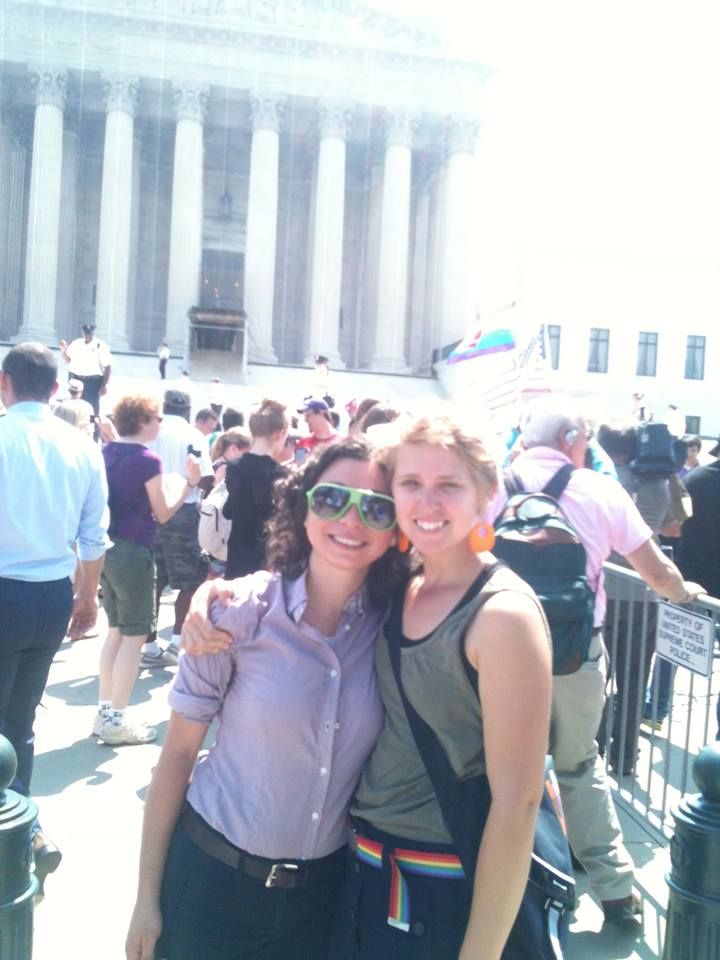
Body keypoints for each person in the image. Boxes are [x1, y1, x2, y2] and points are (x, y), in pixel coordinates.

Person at [179, 414, 555, 958]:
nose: (427, 502)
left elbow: (518, 803)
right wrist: (213, 596)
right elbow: (305, 584)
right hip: (361, 870)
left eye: (449, 485)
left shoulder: (502, 615)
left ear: (486, 494)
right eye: (411, 483)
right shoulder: (402, 585)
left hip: (439, 878)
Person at [125, 439, 404, 960]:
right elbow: (179, 754)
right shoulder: (236, 612)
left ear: (395, 527)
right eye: (331, 499)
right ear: (303, 506)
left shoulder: (396, 626)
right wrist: (145, 897)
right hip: (212, 882)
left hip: (320, 900)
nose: (351, 519)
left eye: (376, 507)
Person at [498, 397, 703, 926]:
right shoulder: (597, 489)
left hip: (495, 649)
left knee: (496, 763)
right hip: (574, 652)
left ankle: (503, 882)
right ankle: (614, 890)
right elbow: (655, 572)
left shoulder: (491, 485)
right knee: (578, 765)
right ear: (571, 439)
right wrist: (684, 594)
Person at [0, 343, 108, 894]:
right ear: (56, 387)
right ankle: (24, 833)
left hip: (5, 586)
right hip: (51, 594)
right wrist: (86, 596)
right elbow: (94, 535)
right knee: (20, 723)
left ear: (5, 384)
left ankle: (22, 834)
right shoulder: (82, 446)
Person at [95, 395, 202, 746]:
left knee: (115, 632)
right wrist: (189, 483)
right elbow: (164, 512)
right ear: (142, 420)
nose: (160, 423)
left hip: (107, 548)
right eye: (156, 418)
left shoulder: (108, 451)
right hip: (134, 549)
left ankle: (106, 711)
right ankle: (117, 718)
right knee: (134, 635)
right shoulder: (147, 460)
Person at [595, 421, 670, 774]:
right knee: (635, 678)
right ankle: (625, 755)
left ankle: (593, 747)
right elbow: (673, 525)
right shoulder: (658, 484)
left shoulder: (601, 482)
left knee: (596, 674)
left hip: (603, 592)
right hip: (644, 594)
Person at [142, 389, 213, 666]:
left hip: (150, 509)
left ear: (164, 407)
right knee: (190, 580)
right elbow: (205, 478)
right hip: (183, 511)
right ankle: (175, 643)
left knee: (153, 582)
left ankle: (149, 646)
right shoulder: (193, 435)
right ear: (188, 410)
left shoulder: (151, 431)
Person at [224, 399, 288, 579]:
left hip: (236, 553)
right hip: (266, 559)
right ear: (281, 433)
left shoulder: (233, 467)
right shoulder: (280, 474)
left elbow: (229, 510)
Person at [58, 323, 112, 417]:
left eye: (89, 333)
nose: (87, 335)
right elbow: (68, 360)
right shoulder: (76, 343)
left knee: (92, 408)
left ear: (93, 333)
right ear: (82, 333)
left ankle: (93, 425)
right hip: (76, 379)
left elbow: (108, 366)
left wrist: (104, 384)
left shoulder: (100, 345)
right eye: (86, 333)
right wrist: (63, 350)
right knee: (74, 406)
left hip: (92, 382)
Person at [295, 398, 339, 462]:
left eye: (308, 416)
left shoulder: (342, 442)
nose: (305, 420)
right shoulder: (302, 442)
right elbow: (298, 464)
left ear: (321, 413)